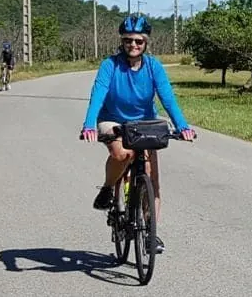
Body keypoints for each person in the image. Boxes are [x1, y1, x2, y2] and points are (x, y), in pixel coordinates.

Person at [80, 14, 195, 252]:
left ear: (146, 43)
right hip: (112, 119)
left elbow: (167, 97)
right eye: (128, 40)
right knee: (122, 154)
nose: (133, 45)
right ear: (122, 41)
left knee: (151, 178)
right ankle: (107, 189)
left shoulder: (154, 66)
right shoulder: (110, 65)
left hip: (144, 122)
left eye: (138, 41)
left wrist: (182, 126)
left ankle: (151, 232)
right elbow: (98, 94)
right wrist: (90, 124)